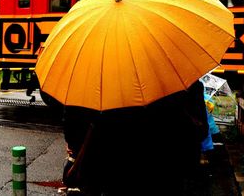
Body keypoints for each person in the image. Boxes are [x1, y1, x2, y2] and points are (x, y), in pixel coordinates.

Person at [62, 80, 209, 195]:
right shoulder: (189, 86)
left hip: (119, 175)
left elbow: (75, 128)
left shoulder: (108, 87)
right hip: (171, 174)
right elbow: (201, 132)